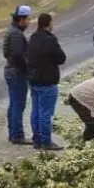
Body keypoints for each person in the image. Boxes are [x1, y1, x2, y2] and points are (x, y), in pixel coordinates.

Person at [26, 12, 67, 151]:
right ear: (48, 23)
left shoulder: (33, 38)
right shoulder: (50, 40)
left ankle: (36, 139)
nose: (53, 24)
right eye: (52, 22)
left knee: (35, 111)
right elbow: (61, 58)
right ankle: (46, 141)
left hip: (33, 79)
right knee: (45, 113)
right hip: (47, 80)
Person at [3, 5, 32, 145]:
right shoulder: (16, 34)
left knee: (13, 103)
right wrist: (27, 69)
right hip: (17, 72)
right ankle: (17, 135)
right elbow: (18, 55)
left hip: (10, 70)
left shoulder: (12, 31)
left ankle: (12, 132)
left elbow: (6, 53)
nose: (29, 22)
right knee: (18, 105)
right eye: (27, 19)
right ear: (21, 19)